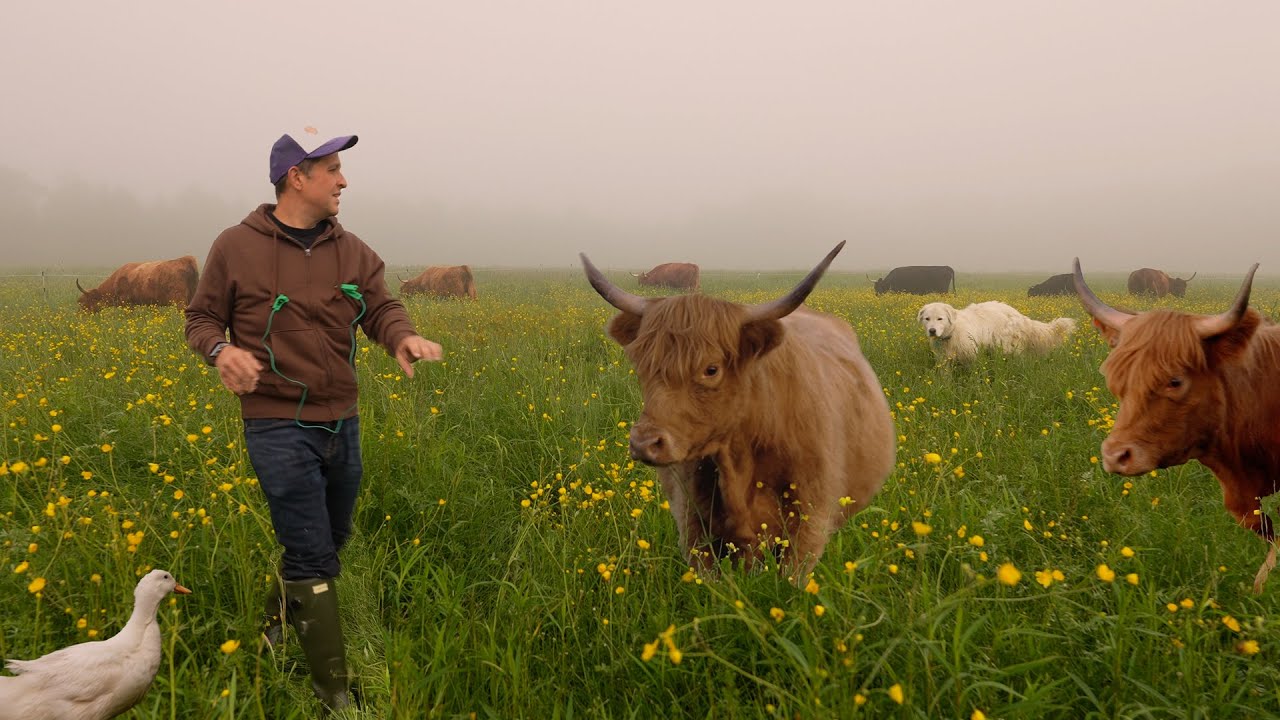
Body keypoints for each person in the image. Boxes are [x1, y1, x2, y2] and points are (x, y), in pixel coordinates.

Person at [184, 132, 442, 711]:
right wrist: (220, 351)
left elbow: (381, 306)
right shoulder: (235, 246)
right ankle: (336, 697)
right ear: (296, 177)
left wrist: (401, 337)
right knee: (312, 554)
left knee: (330, 540)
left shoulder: (351, 250)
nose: (344, 181)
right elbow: (200, 318)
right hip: (275, 422)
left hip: (342, 419)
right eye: (332, 169)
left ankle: (273, 631)